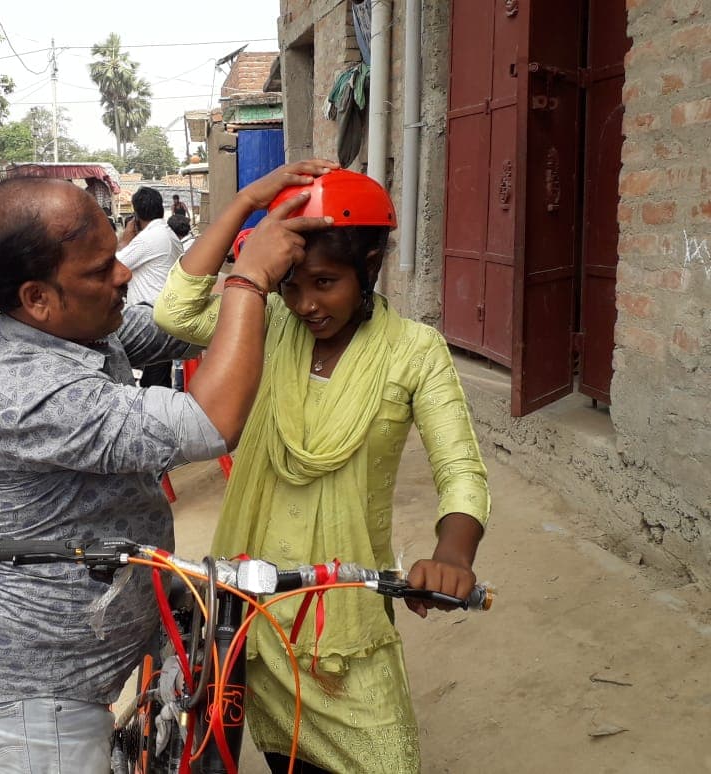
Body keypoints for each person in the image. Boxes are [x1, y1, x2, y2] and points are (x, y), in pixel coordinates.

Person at [0, 162, 336, 774]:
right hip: (35, 691)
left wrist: (244, 206)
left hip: (107, 622)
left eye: (115, 252)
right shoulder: (29, 390)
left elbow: (178, 320)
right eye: (100, 270)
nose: (124, 274)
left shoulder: (82, 330)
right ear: (36, 299)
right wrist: (250, 277)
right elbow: (211, 421)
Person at [153, 168, 491, 774]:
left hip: (345, 613)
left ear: (371, 266)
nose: (305, 304)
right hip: (253, 604)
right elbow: (176, 311)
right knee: (285, 756)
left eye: (326, 283)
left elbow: (461, 470)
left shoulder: (414, 350)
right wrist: (248, 205)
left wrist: (455, 554)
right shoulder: (264, 325)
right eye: (290, 285)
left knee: (387, 759)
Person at [117, 186, 183, 387]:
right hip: (163, 314)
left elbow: (115, 267)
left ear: (136, 215)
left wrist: (124, 240)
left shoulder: (148, 238)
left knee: (153, 383)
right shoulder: (168, 234)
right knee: (158, 379)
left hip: (150, 320)